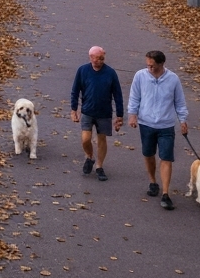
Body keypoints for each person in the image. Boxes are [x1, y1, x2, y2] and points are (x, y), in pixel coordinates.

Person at [127, 50, 189, 210]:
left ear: (162, 64)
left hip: (166, 125)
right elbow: (134, 96)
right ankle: (153, 182)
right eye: (148, 65)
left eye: (152, 66)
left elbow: (180, 102)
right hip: (146, 123)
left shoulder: (173, 79)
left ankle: (166, 194)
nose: (149, 68)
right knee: (148, 154)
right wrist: (132, 114)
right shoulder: (140, 76)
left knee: (166, 158)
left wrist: (183, 120)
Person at [70, 45, 124, 182]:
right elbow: (75, 90)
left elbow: (118, 94)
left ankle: (99, 166)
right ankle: (90, 156)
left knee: (102, 139)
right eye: (97, 58)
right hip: (87, 111)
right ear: (91, 57)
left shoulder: (110, 73)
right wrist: (74, 109)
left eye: (102, 58)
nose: (100, 61)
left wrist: (119, 115)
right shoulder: (83, 70)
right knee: (85, 139)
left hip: (104, 113)